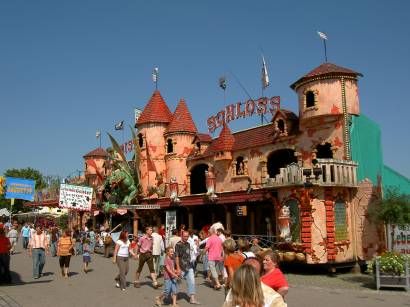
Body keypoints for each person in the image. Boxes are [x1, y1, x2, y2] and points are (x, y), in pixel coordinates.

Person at [175, 230, 200, 305]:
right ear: (181, 236)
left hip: (189, 266)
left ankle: (192, 299)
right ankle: (164, 297)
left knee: (192, 282)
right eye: (184, 236)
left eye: (187, 236)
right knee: (175, 283)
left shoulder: (188, 244)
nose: (186, 238)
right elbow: (176, 257)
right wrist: (178, 268)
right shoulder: (178, 244)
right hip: (181, 267)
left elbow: (190, 254)